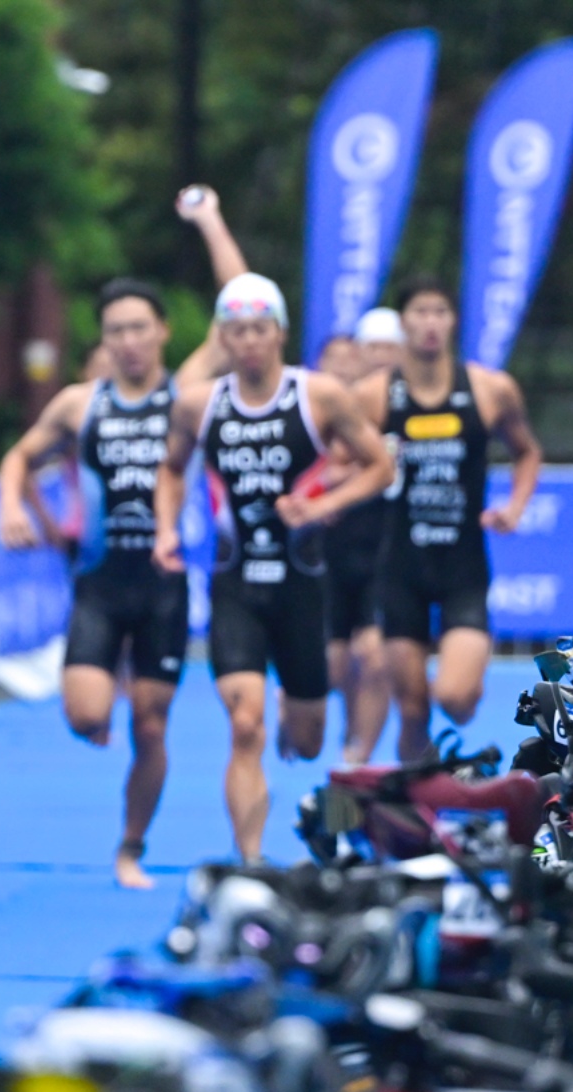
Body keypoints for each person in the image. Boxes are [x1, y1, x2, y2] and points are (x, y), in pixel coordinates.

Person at [0, 185, 248, 890]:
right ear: (103, 341)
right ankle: (101, 705)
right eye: (115, 332)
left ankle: (130, 847)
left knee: (152, 726)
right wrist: (12, 503)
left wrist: (209, 221)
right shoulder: (80, 404)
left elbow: (240, 301)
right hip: (100, 584)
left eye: (139, 328)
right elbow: (18, 457)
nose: (128, 342)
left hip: (164, 581)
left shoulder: (186, 393)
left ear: (162, 332)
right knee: (84, 715)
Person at [155, 273, 393, 863]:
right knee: (244, 726)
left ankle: (295, 710)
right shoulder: (199, 404)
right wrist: (166, 529)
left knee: (308, 741)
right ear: (224, 338)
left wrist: (324, 505)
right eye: (236, 331)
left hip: (303, 587)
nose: (249, 341)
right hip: (236, 585)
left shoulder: (319, 397)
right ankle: (251, 860)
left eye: (259, 329)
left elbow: (380, 465)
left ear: (280, 333)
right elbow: (171, 469)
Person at [352, 279, 543, 758]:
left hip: (463, 568)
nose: (430, 323)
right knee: (412, 707)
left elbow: (526, 451)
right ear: (403, 322)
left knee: (453, 699)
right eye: (420, 312)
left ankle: (466, 686)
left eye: (439, 311)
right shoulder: (375, 395)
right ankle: (418, 790)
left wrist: (515, 507)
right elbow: (336, 462)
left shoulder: (490, 389)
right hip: (400, 568)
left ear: (453, 320)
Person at [320, 306, 407, 763]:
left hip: (387, 550)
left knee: (374, 656)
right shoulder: (332, 411)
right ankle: (346, 727)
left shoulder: (413, 408)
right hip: (332, 550)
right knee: (334, 666)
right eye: (373, 347)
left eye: (391, 348)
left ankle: (361, 754)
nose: (381, 357)